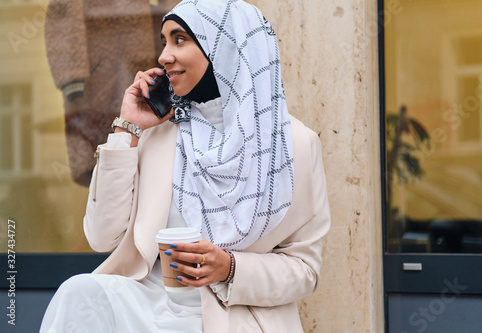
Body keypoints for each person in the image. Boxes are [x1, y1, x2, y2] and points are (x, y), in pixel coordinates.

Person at [40, 0, 330, 332]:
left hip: (229, 316)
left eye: (179, 39)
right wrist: (127, 128)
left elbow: (305, 270)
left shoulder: (293, 144)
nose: (163, 55)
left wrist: (229, 268)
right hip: (146, 306)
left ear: (225, 45)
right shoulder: (161, 133)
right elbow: (102, 236)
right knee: (80, 291)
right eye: (164, 41)